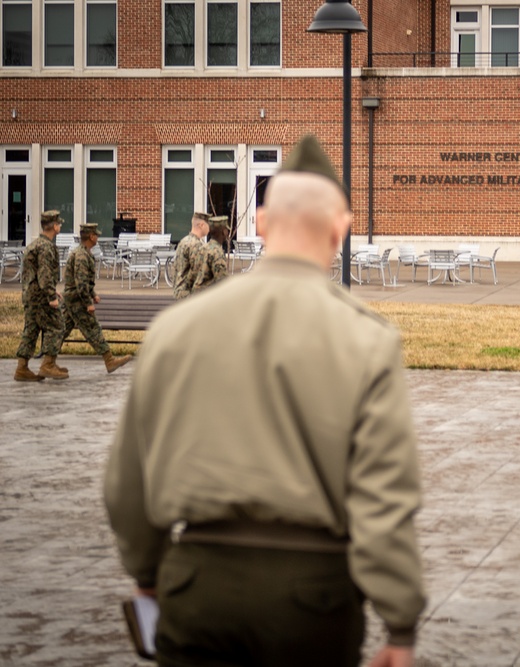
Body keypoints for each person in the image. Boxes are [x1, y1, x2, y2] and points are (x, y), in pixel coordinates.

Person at [104, 134, 425, 667]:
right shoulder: (367, 338)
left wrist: (147, 574)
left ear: (263, 223)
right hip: (314, 596)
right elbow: (385, 499)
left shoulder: (178, 327)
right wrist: (401, 622)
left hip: (199, 583)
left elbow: (128, 480)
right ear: (339, 228)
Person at [59, 223, 133, 373]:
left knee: (61, 330)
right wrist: (88, 303)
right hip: (77, 301)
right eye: (96, 234)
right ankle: (109, 360)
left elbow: (83, 281)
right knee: (93, 329)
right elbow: (80, 283)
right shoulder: (81, 256)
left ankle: (47, 361)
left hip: (72, 299)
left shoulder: (84, 253)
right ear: (91, 236)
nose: (98, 237)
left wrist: (93, 294)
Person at [14, 210, 68, 381]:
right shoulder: (46, 247)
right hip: (41, 296)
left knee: (31, 329)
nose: (60, 226)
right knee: (57, 325)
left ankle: (22, 368)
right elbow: (44, 275)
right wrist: (51, 296)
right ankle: (48, 365)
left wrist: (52, 290)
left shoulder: (34, 244)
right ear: (54, 226)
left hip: (30, 294)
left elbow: (34, 274)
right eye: (58, 223)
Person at [172, 212, 210, 299]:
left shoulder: (184, 241)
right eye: (209, 224)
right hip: (189, 294)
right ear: (201, 225)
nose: (210, 228)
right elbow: (199, 273)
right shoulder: (196, 245)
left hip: (180, 292)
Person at [190, 215, 230, 294]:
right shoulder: (217, 252)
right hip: (207, 297)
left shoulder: (201, 248)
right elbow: (222, 282)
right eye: (227, 230)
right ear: (224, 232)